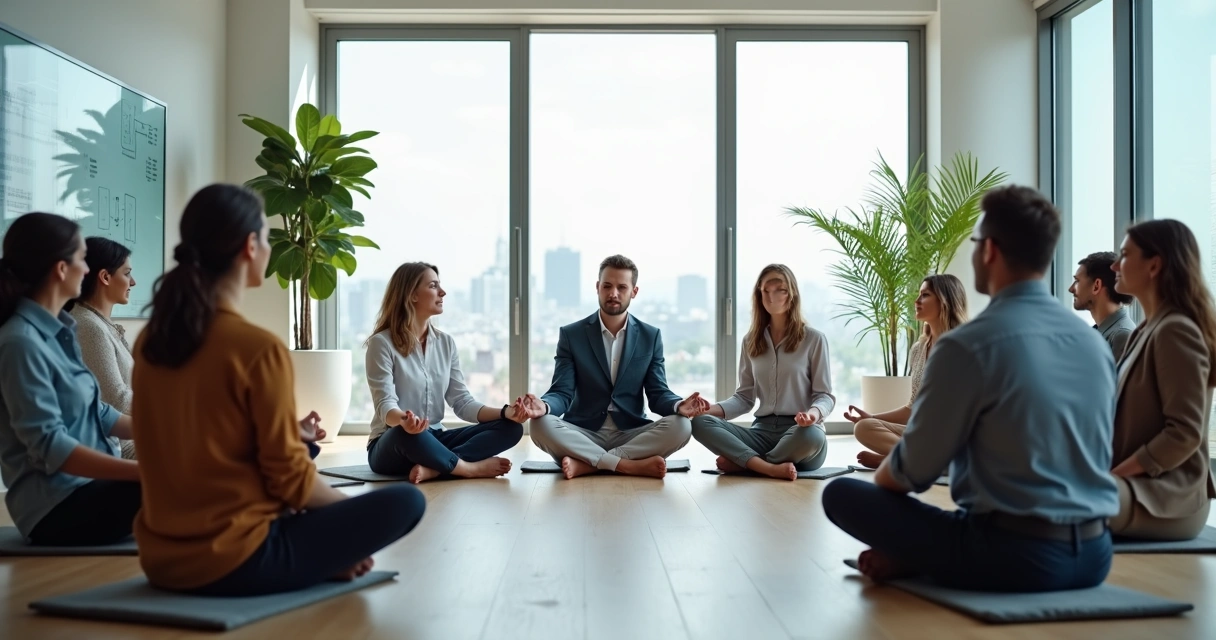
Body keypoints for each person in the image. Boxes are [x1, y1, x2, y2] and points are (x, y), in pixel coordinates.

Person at [821, 185, 1119, 592]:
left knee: (840, 493)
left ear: (990, 250)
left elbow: (905, 477)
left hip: (1013, 555)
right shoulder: (1092, 343)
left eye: (976, 242)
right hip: (1095, 554)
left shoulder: (966, 345)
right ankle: (926, 558)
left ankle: (924, 559)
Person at [131, 184, 425, 596]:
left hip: (160, 558)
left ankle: (313, 560)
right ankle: (314, 564)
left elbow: (192, 443)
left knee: (304, 449)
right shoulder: (256, 347)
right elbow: (293, 484)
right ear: (251, 246)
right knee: (407, 502)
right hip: (234, 560)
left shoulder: (152, 341)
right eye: (267, 238)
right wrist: (347, 532)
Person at [0, 213, 140, 545]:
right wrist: (145, 473)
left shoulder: (62, 329)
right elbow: (51, 446)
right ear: (61, 269)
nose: (88, 269)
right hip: (58, 507)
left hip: (92, 489)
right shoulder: (20, 342)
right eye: (81, 258)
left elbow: (100, 412)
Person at [519, 254, 708, 479]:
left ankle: (590, 464)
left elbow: (658, 393)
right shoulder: (572, 335)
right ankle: (628, 465)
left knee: (682, 426)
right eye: (607, 286)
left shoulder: (650, 336)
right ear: (598, 287)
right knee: (540, 425)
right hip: (584, 432)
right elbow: (562, 392)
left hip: (631, 433)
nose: (613, 293)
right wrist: (545, 406)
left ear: (634, 292)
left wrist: (678, 405)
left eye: (622, 287)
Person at [365, 262, 525, 484]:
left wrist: (506, 413)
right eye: (433, 286)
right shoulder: (381, 343)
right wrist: (404, 422)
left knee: (511, 429)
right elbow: (385, 404)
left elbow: (461, 402)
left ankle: (439, 469)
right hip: (393, 442)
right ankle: (468, 469)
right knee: (407, 434)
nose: (443, 292)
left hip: (435, 439)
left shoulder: (445, 343)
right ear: (412, 295)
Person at [1107, 219, 1216, 540]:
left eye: (1125, 255)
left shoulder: (1175, 330)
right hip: (1135, 487)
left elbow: (1183, 433)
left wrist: (1113, 476)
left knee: (1052, 500)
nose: (1115, 264)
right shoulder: (1144, 331)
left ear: (1154, 265)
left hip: (1167, 499)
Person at [690, 264, 834, 481]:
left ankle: (748, 463)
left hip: (800, 433)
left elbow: (825, 396)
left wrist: (812, 415)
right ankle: (767, 467)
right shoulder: (750, 341)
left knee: (812, 435)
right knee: (699, 423)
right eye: (765, 290)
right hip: (761, 432)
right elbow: (744, 398)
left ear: (792, 294)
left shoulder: (814, 339)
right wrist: (709, 410)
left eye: (780, 290)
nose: (771, 297)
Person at [845, 274, 968, 469]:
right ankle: (909, 460)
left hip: (955, 437)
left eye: (925, 295)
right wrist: (871, 417)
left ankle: (903, 459)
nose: (916, 301)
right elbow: (912, 409)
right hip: (923, 436)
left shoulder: (964, 347)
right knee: (864, 427)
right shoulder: (918, 350)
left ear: (945, 301)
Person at [65, 237, 138, 460]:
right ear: (105, 277)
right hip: (119, 446)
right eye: (127, 273)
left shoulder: (97, 323)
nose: (133, 282)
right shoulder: (89, 327)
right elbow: (116, 400)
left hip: (129, 437)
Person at [1069, 251, 1136, 359]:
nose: (1071, 289)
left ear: (1096, 286)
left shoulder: (1122, 336)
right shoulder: (1102, 332)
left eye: (1077, 281)